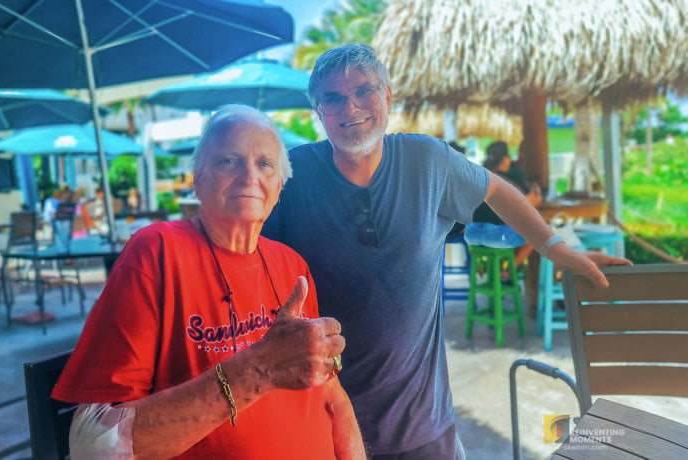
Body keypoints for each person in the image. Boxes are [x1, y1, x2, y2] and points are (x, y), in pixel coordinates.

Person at [262, 44, 631, 459]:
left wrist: (556, 248)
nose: (351, 106)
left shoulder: (427, 160)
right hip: (322, 423)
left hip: (423, 425)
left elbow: (496, 189)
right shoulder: (292, 175)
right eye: (333, 98)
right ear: (319, 111)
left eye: (364, 90)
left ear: (387, 96)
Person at [52, 105, 365, 459]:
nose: (250, 176)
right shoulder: (157, 252)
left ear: (279, 186)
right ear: (197, 180)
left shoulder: (291, 264)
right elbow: (92, 446)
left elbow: (332, 394)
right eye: (228, 161)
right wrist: (257, 369)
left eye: (265, 163)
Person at [465, 140, 542, 266]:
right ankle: (506, 271)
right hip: (495, 236)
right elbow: (534, 201)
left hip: (473, 236)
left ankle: (493, 269)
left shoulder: (479, 176)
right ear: (505, 159)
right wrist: (536, 190)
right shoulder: (508, 180)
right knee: (535, 234)